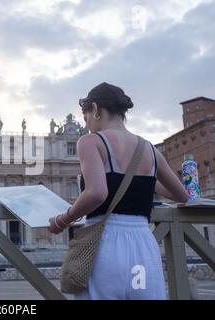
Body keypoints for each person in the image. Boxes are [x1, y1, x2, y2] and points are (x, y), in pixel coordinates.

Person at [48, 82, 188, 300]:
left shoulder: (91, 142)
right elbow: (181, 195)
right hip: (143, 248)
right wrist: (144, 183)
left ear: (94, 110)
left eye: (86, 120)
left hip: (104, 249)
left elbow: (96, 193)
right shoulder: (149, 149)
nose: (87, 127)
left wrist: (62, 220)